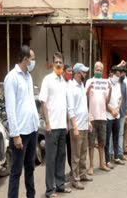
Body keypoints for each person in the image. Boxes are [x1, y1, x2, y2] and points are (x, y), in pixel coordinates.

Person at [5, 45, 39, 198]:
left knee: (30, 167)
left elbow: (30, 101)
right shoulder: (12, 78)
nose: (33, 62)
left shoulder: (28, 76)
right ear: (25, 60)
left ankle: (30, 195)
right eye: (32, 59)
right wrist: (15, 134)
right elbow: (11, 108)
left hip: (32, 129)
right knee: (16, 172)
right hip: (20, 133)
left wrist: (36, 123)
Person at [39, 52, 71, 197]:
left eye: (61, 62)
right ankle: (50, 190)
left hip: (62, 126)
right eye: (56, 62)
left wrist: (66, 123)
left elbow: (64, 104)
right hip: (51, 127)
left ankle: (60, 185)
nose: (59, 64)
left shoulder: (63, 82)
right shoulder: (48, 80)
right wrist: (47, 123)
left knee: (61, 157)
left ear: (63, 64)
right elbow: (43, 103)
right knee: (51, 159)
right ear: (53, 64)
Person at [67, 63, 93, 190]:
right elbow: (70, 109)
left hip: (84, 124)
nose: (85, 74)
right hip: (76, 126)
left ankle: (83, 174)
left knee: (83, 152)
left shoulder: (81, 85)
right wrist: (75, 127)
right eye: (83, 72)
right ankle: (75, 179)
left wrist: (88, 121)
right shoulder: (71, 87)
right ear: (78, 73)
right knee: (76, 155)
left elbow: (84, 106)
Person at [85, 62, 111, 175]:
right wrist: (88, 89)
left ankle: (102, 163)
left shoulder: (105, 83)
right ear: (93, 69)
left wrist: (111, 91)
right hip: (92, 117)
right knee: (91, 143)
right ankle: (91, 166)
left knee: (102, 142)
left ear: (103, 70)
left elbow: (107, 101)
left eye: (100, 70)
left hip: (102, 117)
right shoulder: (89, 81)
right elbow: (83, 96)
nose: (98, 71)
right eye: (97, 69)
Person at [105, 66, 125, 168]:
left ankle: (116, 157)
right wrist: (111, 110)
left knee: (116, 137)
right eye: (116, 75)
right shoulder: (106, 83)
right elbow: (104, 101)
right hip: (108, 116)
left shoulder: (118, 84)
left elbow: (120, 98)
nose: (118, 77)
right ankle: (107, 160)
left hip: (116, 115)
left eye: (119, 75)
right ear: (111, 74)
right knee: (107, 138)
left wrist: (117, 109)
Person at [63, 64, 73, 179]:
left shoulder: (72, 84)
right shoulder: (61, 84)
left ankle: (71, 169)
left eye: (71, 71)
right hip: (63, 121)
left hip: (72, 122)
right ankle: (61, 174)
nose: (70, 73)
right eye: (68, 71)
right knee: (63, 151)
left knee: (71, 148)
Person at [118, 66, 127, 161]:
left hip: (122, 112)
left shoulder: (124, 84)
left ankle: (120, 153)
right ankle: (112, 153)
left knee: (121, 133)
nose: (123, 74)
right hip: (114, 112)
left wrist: (126, 111)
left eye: (124, 73)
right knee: (113, 134)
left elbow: (125, 98)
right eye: (122, 72)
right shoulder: (115, 83)